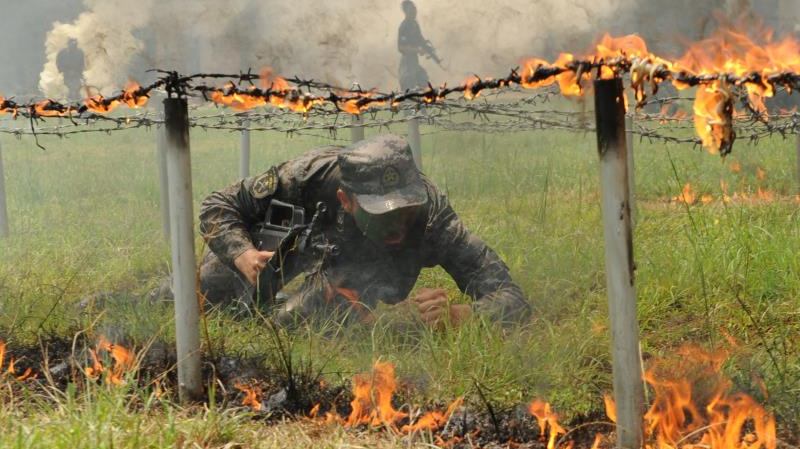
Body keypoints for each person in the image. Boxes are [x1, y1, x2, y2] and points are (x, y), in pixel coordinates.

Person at [198, 134, 531, 328]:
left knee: (294, 323)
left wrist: (462, 314)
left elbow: (512, 299)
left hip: (351, 275)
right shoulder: (308, 176)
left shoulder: (434, 219)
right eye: (381, 212)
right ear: (346, 199)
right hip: (284, 245)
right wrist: (244, 254)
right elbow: (218, 205)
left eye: (405, 207)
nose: (398, 222)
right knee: (193, 294)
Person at [397, 0, 436, 91]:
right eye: (412, 9)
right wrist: (418, 50)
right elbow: (401, 47)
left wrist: (427, 47)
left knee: (423, 81)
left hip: (414, 61)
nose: (415, 11)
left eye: (415, 8)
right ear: (406, 11)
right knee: (408, 87)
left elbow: (420, 40)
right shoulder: (404, 26)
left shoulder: (414, 24)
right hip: (407, 63)